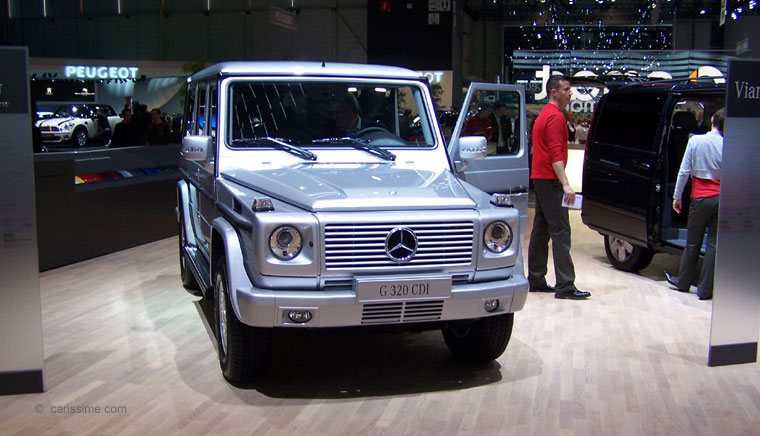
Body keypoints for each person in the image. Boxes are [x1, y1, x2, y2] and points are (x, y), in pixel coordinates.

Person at [528, 75, 590, 300]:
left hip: (541, 177)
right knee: (561, 231)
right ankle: (565, 285)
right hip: (551, 179)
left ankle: (535, 278)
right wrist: (565, 183)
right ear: (554, 92)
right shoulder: (555, 117)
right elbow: (555, 152)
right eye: (566, 89)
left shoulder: (544, 115)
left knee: (541, 229)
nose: (570, 93)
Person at [665, 108, 725, 300]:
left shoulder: (695, 141)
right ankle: (705, 290)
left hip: (699, 198)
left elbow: (684, 172)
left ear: (712, 120)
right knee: (714, 245)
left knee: (692, 242)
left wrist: (677, 196)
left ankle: (683, 282)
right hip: (721, 198)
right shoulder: (729, 145)